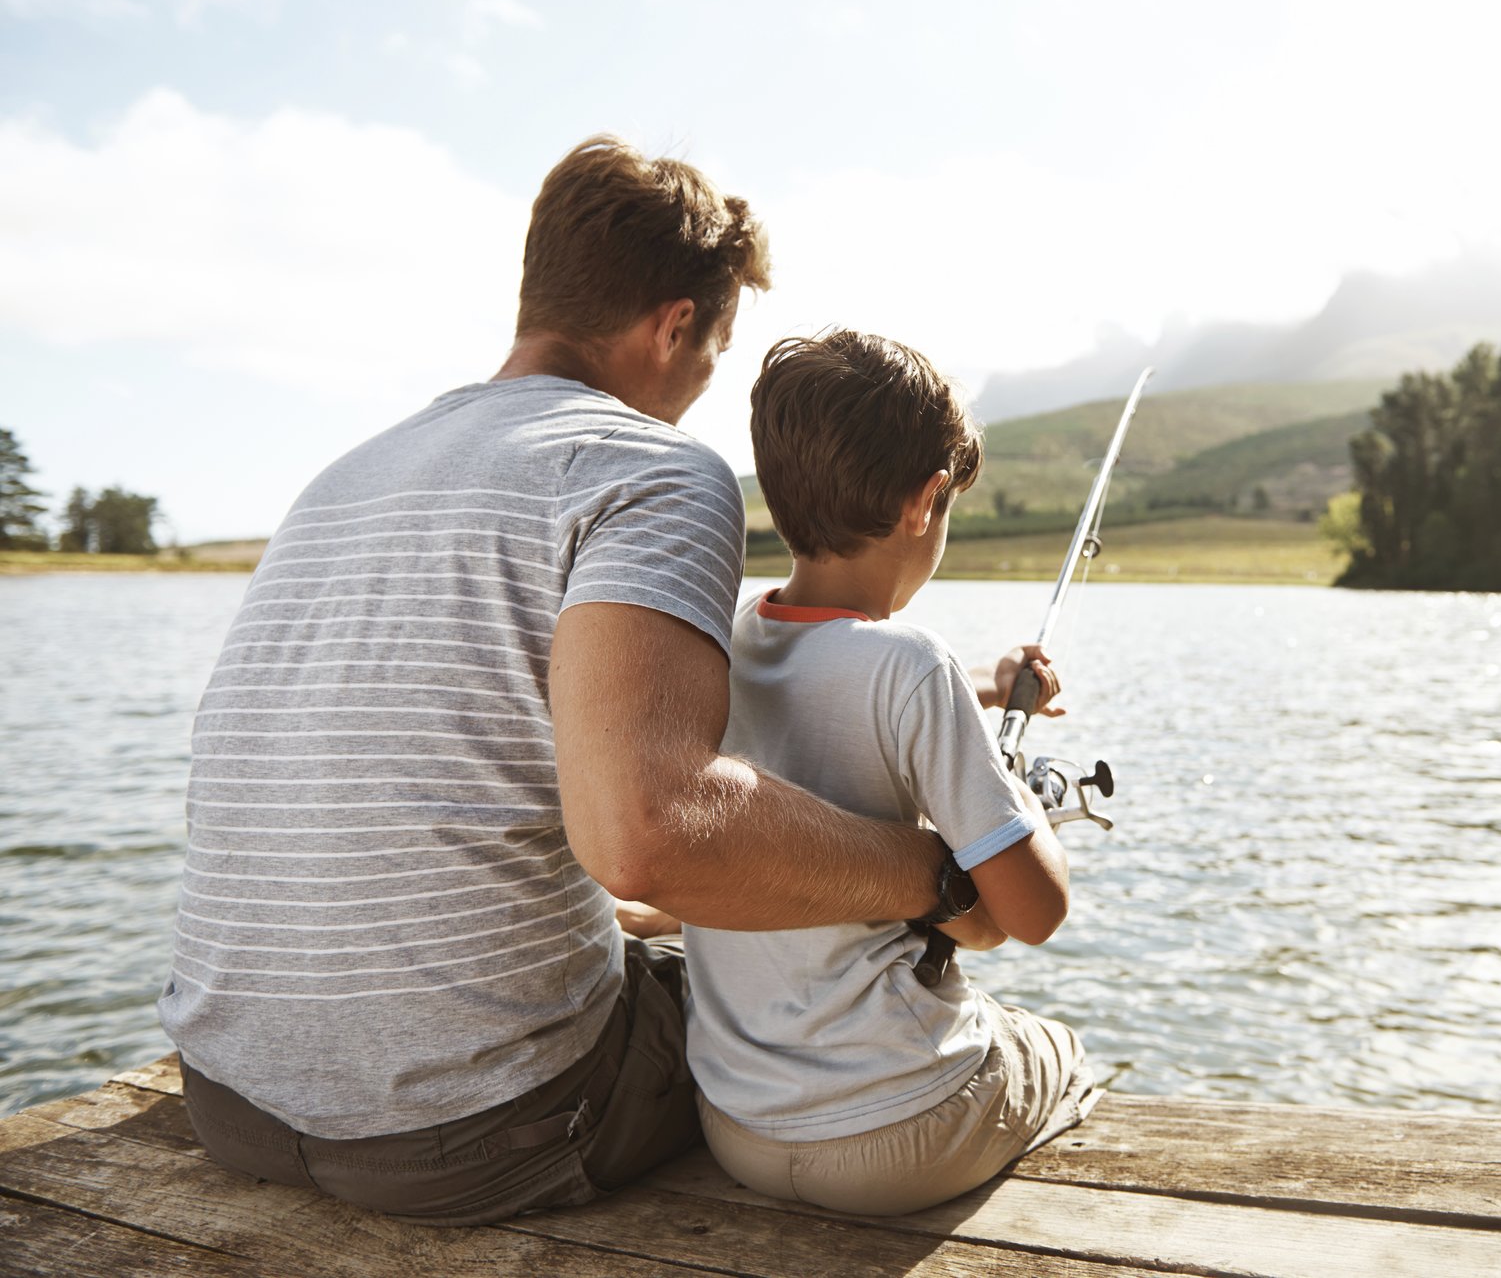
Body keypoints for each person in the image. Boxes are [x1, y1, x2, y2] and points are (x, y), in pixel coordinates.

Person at [159, 137, 962, 1225]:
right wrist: (926, 873)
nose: (692, 393)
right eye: (712, 355)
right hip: (477, 1127)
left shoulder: (341, 478)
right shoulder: (649, 467)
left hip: (231, 1097)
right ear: (674, 324)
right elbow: (651, 830)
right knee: (804, 1004)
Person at [673, 328, 1098, 1216]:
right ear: (927, 500)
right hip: (896, 1139)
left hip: (739, 1128)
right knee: (1058, 1048)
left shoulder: (728, 635)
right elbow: (1034, 911)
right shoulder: (915, 667)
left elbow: (833, 674)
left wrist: (987, 689)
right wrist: (1018, 793)